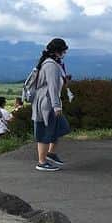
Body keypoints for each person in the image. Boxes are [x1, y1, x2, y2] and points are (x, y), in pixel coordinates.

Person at [32, 38, 70, 171]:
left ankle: (51, 154)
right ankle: (42, 162)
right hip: (46, 103)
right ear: (58, 51)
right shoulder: (51, 65)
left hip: (45, 101)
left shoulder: (50, 63)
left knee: (59, 127)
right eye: (64, 50)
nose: (65, 53)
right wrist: (56, 106)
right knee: (44, 131)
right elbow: (52, 87)